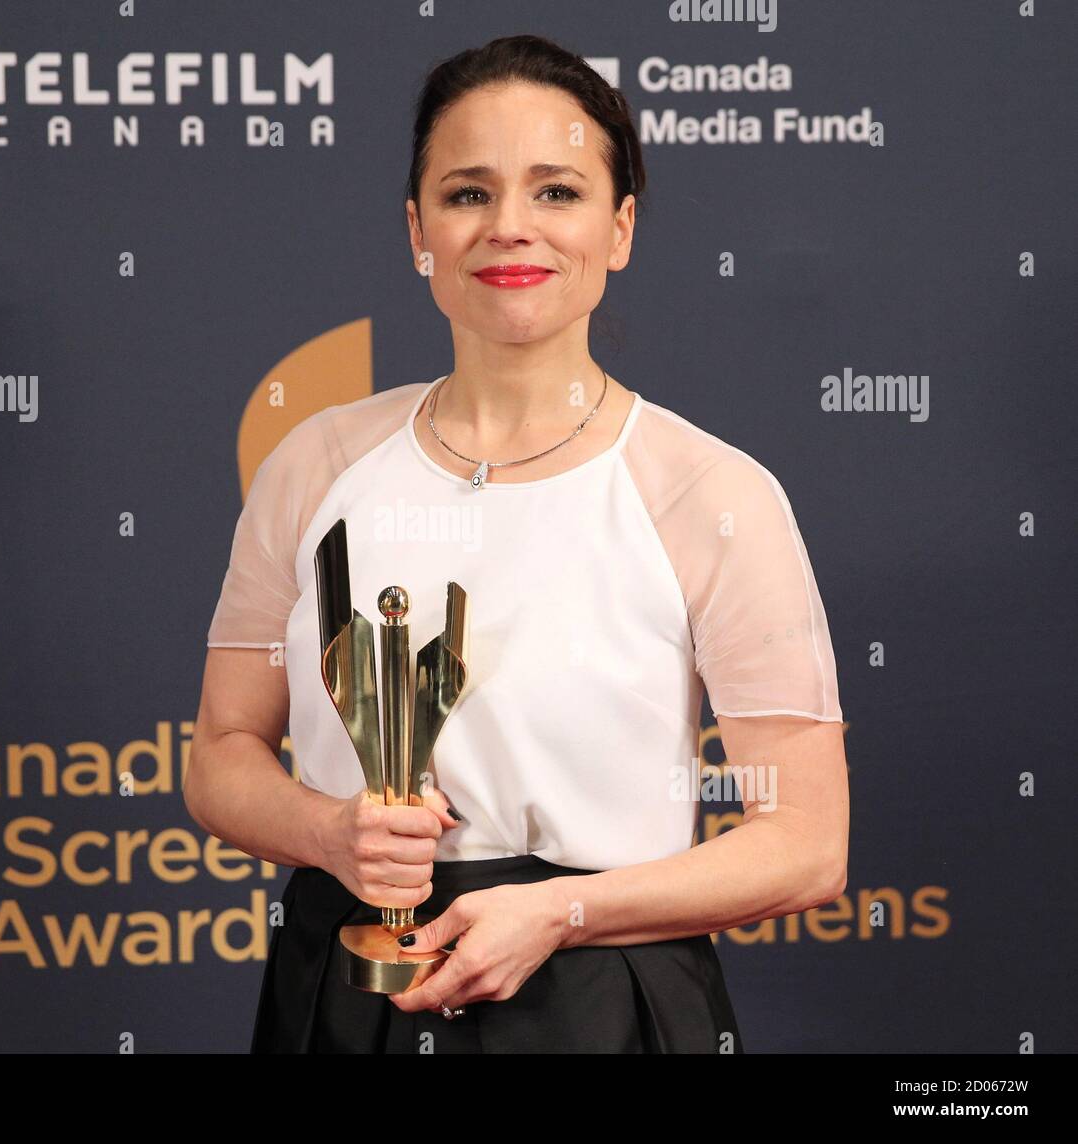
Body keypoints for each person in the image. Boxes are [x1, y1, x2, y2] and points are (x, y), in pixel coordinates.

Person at [184, 33, 850, 1053]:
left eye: (556, 192)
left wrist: (558, 911)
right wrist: (328, 833)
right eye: (466, 194)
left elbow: (805, 848)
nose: (509, 229)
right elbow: (222, 753)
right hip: (345, 982)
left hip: (599, 995)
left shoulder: (710, 492)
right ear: (417, 228)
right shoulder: (314, 465)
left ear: (618, 227)